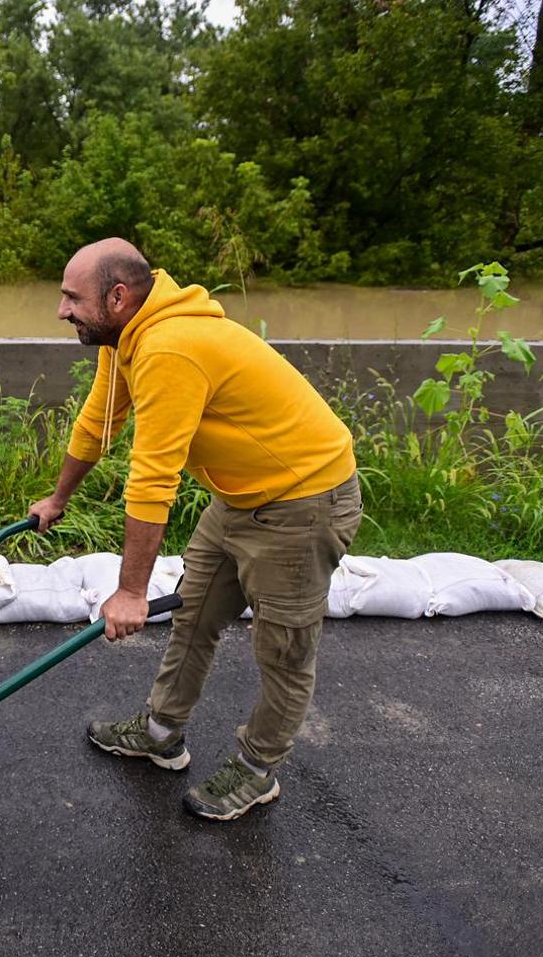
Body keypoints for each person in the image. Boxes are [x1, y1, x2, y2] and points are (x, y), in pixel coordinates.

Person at [28, 238, 362, 821]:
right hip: (238, 497)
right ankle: (161, 732)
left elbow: (153, 480)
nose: (62, 312)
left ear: (117, 295)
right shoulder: (125, 334)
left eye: (70, 298)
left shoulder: (169, 349)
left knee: (283, 649)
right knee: (196, 613)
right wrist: (58, 497)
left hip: (304, 504)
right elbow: (99, 421)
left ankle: (258, 771)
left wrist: (131, 592)